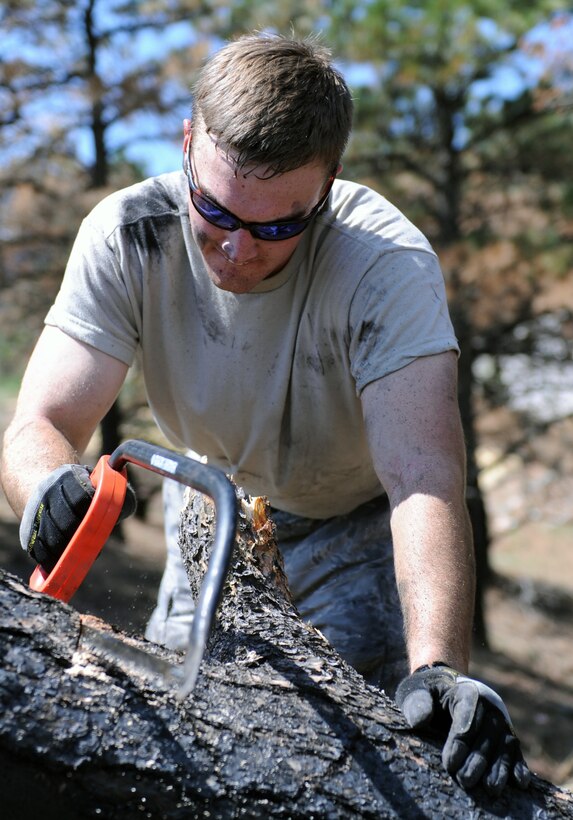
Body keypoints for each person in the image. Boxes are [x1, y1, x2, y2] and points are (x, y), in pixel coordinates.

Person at [1, 32, 529, 795]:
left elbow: (423, 479)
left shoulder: (384, 266)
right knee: (179, 733)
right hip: (208, 503)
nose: (237, 250)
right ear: (187, 143)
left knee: (340, 766)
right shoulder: (129, 234)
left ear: (328, 183)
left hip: (350, 524)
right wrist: (47, 486)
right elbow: (39, 421)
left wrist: (439, 666)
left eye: (277, 226)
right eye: (214, 210)